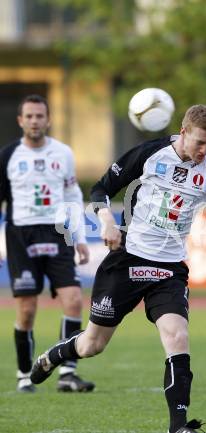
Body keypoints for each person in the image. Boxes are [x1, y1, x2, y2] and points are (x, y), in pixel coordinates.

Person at [30, 105, 206, 433]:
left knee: (177, 336)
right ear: (183, 131)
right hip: (128, 259)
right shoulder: (151, 153)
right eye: (200, 143)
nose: (205, 151)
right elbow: (100, 189)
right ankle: (54, 355)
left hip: (170, 269)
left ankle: (178, 426)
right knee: (93, 345)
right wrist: (106, 222)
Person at [0, 94, 94, 393]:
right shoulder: (8, 156)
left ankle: (67, 372)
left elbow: (72, 195)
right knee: (27, 308)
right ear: (20, 121)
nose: (34, 121)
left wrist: (79, 236)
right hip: (21, 235)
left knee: (74, 300)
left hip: (57, 232)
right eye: (29, 116)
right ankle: (25, 374)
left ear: (48, 119)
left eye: (39, 116)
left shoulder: (63, 153)